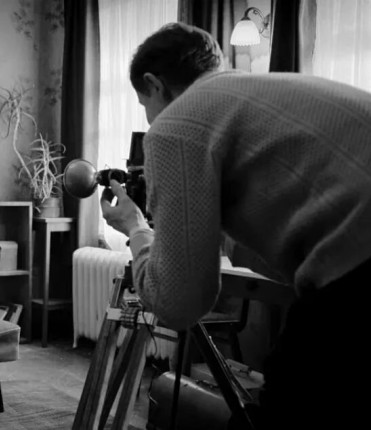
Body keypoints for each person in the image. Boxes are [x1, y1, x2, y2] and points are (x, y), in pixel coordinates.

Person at [100, 22, 371, 430]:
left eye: (144, 105)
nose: (151, 119)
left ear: (154, 84)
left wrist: (136, 228)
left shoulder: (176, 124)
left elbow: (179, 303)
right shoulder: (266, 92)